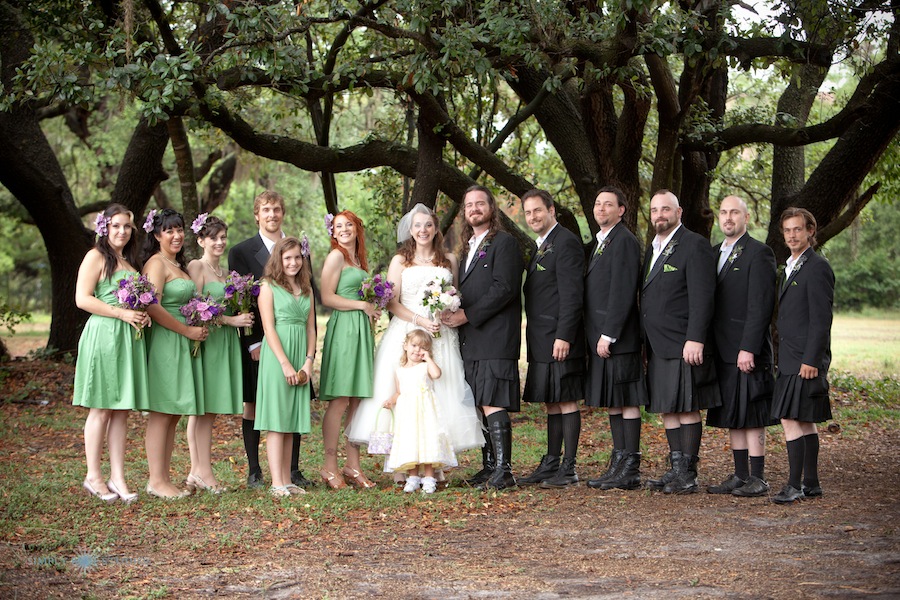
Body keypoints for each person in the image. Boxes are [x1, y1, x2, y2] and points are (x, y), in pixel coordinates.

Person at [346, 203, 483, 471]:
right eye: (417, 225)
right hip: (407, 330)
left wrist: (445, 310)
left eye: (428, 225)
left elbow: (454, 297)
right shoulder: (400, 261)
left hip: (441, 335)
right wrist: (419, 320)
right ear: (410, 229)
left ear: (435, 229)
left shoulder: (449, 261)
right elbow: (391, 303)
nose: (423, 230)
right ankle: (401, 462)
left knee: (440, 393)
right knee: (405, 395)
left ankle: (436, 462)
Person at [443, 185, 525, 490]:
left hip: (495, 336)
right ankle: (489, 466)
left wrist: (466, 315)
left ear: (492, 208)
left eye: (480, 204)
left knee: (493, 400)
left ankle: (504, 470)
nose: (474, 209)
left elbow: (504, 288)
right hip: (472, 339)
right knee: (479, 401)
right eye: (469, 206)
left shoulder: (505, 243)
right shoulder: (468, 248)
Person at [228, 190, 308, 489]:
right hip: (259, 343)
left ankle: (292, 471)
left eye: (276, 209)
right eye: (266, 210)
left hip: (294, 339)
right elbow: (241, 299)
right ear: (256, 214)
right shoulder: (241, 251)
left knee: (292, 401)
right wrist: (254, 342)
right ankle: (254, 470)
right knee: (254, 403)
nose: (272, 214)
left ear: (282, 212)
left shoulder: (298, 250)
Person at [640, 190, 719, 495]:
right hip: (658, 344)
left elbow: (703, 297)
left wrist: (695, 338)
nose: (659, 215)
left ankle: (688, 473)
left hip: (683, 342)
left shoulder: (694, 244)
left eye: (665, 209)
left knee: (687, 408)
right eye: (655, 210)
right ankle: (675, 468)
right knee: (668, 409)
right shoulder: (653, 248)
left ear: (679, 212)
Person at [73, 204, 151, 503]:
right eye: (116, 225)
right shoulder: (96, 257)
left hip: (127, 339)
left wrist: (140, 314)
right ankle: (93, 476)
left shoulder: (128, 261)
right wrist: (121, 314)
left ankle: (117, 477)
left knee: (121, 409)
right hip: (104, 335)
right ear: (104, 228)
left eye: (127, 227)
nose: (122, 231)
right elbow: (82, 298)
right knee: (101, 408)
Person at [706, 196, 778, 498]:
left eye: (734, 212)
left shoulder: (759, 253)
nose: (728, 218)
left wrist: (748, 347)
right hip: (721, 349)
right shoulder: (713, 254)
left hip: (748, 350)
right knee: (732, 413)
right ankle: (740, 475)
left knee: (752, 413)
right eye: (723, 212)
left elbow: (761, 305)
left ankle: (758, 477)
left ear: (746, 217)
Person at [517, 190, 586, 489]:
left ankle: (569, 467)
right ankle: (551, 462)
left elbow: (572, 296)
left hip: (559, 337)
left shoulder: (566, 242)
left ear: (551, 210)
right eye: (528, 213)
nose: (533, 217)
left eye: (537, 211)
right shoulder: (540, 245)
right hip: (540, 337)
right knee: (552, 402)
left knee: (567, 399)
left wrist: (564, 336)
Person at [582, 187, 648, 491]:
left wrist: (609, 334)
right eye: (597, 204)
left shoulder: (624, 241)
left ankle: (630, 467)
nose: (601, 208)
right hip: (601, 336)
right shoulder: (601, 242)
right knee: (614, 402)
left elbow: (622, 291)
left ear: (621, 210)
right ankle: (618, 463)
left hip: (619, 337)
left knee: (627, 400)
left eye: (608, 204)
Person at [770, 207, 835, 504]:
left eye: (797, 229)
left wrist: (812, 360)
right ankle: (812, 483)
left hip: (803, 359)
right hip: (790, 355)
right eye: (787, 230)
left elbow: (821, 320)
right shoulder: (791, 265)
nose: (792, 235)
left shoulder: (817, 266)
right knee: (804, 420)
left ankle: (794, 484)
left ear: (810, 230)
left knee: (790, 418)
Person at [142, 208, 208, 499]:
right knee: (161, 413)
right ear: (157, 236)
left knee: (174, 414)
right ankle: (156, 480)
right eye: (169, 230)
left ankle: (163, 478)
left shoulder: (177, 265)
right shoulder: (157, 263)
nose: (177, 235)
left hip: (181, 343)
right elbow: (152, 306)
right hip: (166, 342)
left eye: (179, 229)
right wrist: (187, 332)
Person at [186, 215, 253, 494]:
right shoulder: (196, 267)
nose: (220, 242)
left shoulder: (226, 274)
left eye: (223, 236)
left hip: (225, 344)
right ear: (201, 240)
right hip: (207, 341)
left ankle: (195, 474)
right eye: (213, 237)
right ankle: (202, 471)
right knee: (200, 410)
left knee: (209, 411)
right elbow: (192, 308)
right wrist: (230, 321)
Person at [318, 210, 379, 489]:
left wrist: (372, 307)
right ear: (333, 232)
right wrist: (361, 305)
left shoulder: (358, 260)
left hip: (361, 332)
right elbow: (327, 296)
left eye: (348, 225)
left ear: (357, 227)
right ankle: (329, 466)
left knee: (357, 398)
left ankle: (353, 465)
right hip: (344, 329)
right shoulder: (336, 257)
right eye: (338, 226)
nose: (343, 230)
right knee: (341, 398)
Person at [255, 237, 317, 497]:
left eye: (297, 257)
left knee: (290, 420)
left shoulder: (307, 288)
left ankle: (287, 480)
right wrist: (285, 364)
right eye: (287, 258)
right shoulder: (267, 286)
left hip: (300, 357)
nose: (293, 262)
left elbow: (311, 327)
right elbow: (268, 328)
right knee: (277, 420)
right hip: (277, 357)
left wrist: (309, 361)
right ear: (279, 260)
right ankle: (276, 483)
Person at [383, 330, 457, 494]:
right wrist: (391, 401)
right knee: (411, 443)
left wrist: (428, 358)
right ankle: (413, 478)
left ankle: (429, 479)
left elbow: (437, 374)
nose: (417, 350)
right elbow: (399, 391)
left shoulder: (425, 367)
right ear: (405, 346)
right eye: (414, 345)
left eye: (422, 347)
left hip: (425, 413)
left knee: (426, 442)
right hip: (407, 414)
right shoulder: (399, 370)